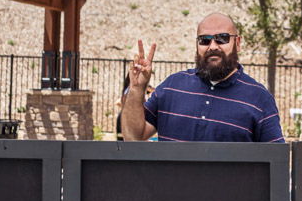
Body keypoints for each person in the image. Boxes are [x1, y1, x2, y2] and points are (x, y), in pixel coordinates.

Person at [122, 12, 284, 143]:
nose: (213, 46)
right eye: (205, 40)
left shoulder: (260, 98)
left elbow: (275, 162)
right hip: (170, 184)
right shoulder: (172, 86)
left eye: (222, 38)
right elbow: (133, 137)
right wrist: (137, 88)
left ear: (238, 43)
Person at [115, 76, 153, 141]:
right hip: (127, 118)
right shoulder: (130, 90)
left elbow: (152, 90)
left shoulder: (138, 90)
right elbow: (118, 102)